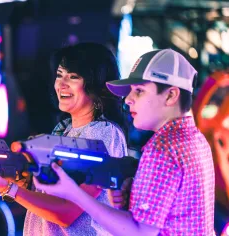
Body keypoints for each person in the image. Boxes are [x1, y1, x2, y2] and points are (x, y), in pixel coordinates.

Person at [34, 49, 215, 236]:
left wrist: (74, 193)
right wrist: (129, 206)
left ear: (170, 96)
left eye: (139, 91)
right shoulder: (195, 139)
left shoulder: (162, 149)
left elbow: (139, 232)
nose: (128, 99)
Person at [0, 42, 129, 235]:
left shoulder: (102, 133)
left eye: (73, 77)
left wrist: (6, 187)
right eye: (59, 75)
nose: (62, 84)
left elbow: (67, 212)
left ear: (96, 85)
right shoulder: (64, 131)